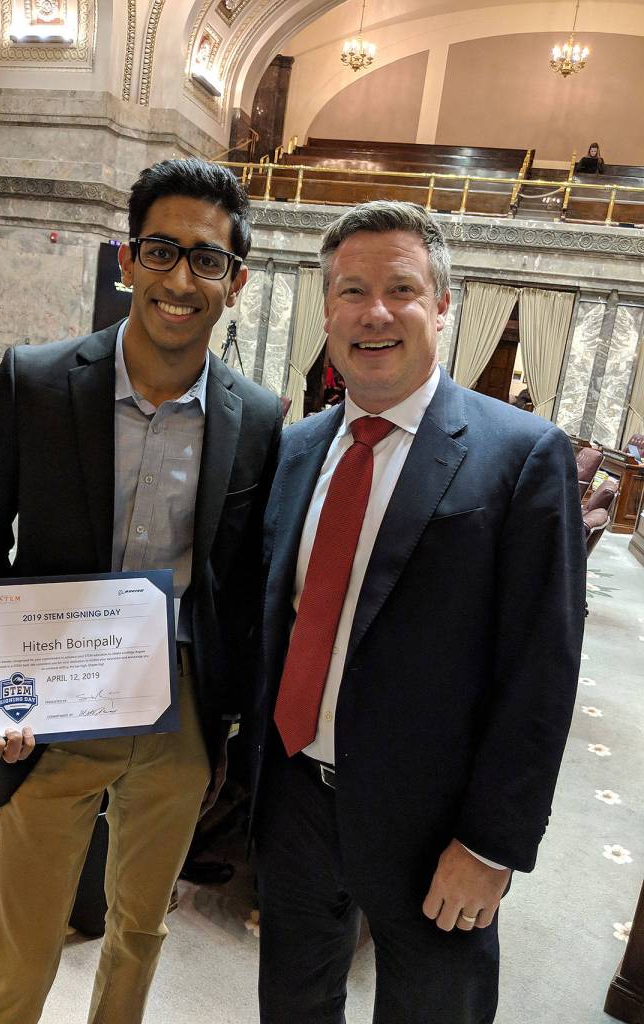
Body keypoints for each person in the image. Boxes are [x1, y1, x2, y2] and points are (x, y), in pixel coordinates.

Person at [0, 157, 282, 1024]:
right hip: (46, 716)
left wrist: (228, 729)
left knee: (140, 934)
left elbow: (240, 582)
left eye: (207, 259)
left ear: (235, 281)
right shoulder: (38, 380)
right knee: (17, 949)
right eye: (161, 251)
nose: (181, 279)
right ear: (126, 259)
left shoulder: (261, 419)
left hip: (179, 721)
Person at [249, 200, 586, 1024]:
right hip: (293, 800)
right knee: (291, 1007)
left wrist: (493, 844)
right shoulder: (296, 450)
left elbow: (541, 672)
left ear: (442, 305)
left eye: (400, 288)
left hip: (437, 829)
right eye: (351, 290)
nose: (374, 312)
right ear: (326, 311)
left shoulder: (521, 455)